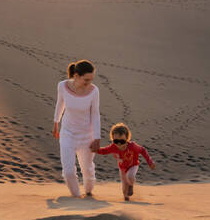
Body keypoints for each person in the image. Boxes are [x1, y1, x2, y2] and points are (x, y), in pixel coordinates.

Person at [53, 60, 100, 197]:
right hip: (67, 133)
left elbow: (95, 114)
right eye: (86, 80)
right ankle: (76, 197)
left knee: (87, 170)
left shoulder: (94, 91)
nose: (89, 83)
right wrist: (56, 122)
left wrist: (97, 137)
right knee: (68, 171)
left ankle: (89, 192)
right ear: (76, 76)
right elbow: (60, 103)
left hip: (87, 135)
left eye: (91, 80)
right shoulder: (62, 86)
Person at [96, 122, 155, 200]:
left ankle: (131, 185)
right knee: (124, 188)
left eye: (122, 141)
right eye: (116, 141)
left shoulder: (132, 146)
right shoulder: (113, 147)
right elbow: (104, 151)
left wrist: (150, 162)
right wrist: (95, 149)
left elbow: (142, 150)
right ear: (112, 139)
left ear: (127, 139)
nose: (119, 144)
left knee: (130, 176)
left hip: (133, 165)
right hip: (122, 168)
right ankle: (127, 200)